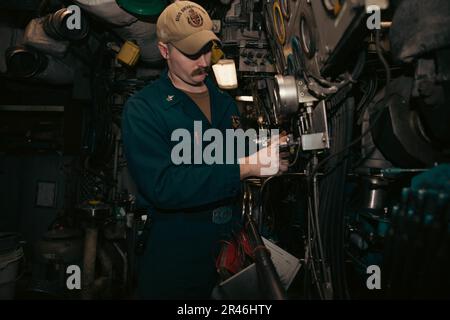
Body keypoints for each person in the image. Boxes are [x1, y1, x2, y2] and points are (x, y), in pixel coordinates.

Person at [122, 0, 288, 299]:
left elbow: (233, 155)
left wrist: (269, 154)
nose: (203, 61)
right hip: (176, 255)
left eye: (207, 49)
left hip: (227, 250)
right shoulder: (144, 108)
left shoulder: (224, 102)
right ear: (164, 51)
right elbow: (164, 186)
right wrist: (248, 167)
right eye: (191, 53)